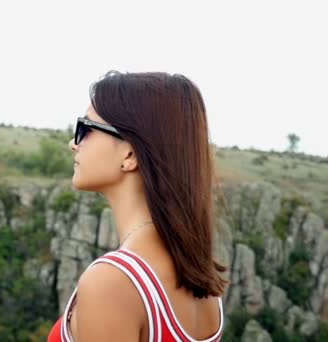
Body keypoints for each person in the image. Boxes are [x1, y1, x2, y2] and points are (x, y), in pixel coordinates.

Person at [47, 71, 228, 341]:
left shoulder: (112, 283)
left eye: (85, 128)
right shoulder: (202, 282)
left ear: (130, 154)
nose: (73, 143)